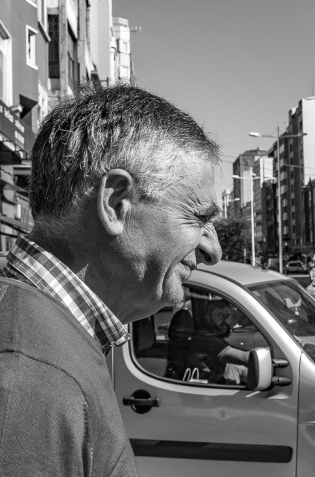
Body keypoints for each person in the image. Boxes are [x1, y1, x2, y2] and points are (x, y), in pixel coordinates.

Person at [0, 84, 222, 476]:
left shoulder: (44, 345)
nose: (212, 249)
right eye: (197, 218)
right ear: (115, 203)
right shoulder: (31, 376)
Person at [186, 300, 250, 384]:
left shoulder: (210, 336)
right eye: (219, 316)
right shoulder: (207, 340)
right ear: (208, 318)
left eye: (227, 315)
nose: (225, 321)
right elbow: (244, 358)